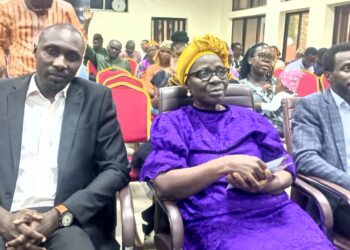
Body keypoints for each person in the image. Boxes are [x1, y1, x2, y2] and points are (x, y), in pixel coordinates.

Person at [140, 34, 334, 249]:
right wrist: (224, 165)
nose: (214, 79)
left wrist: (267, 185)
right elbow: (164, 185)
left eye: (220, 71)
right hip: (214, 218)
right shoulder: (173, 122)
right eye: (203, 73)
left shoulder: (251, 119)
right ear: (187, 82)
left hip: (274, 210)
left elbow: (287, 168)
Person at [0, 24, 130, 249]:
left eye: (71, 56)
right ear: (35, 50)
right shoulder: (2, 95)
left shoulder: (96, 99)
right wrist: (3, 220)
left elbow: (116, 168)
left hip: (68, 222)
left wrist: (60, 214)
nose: (60, 63)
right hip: (4, 215)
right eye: (51, 51)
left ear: (81, 61)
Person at [293, 42, 350, 238]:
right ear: (328, 76)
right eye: (347, 69)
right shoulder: (312, 106)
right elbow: (305, 158)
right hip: (340, 199)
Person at [0, 0, 90, 77]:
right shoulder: (7, 9)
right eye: (38, 4)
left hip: (57, 78)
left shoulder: (65, 9)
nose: (44, 10)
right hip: (20, 78)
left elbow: (80, 40)